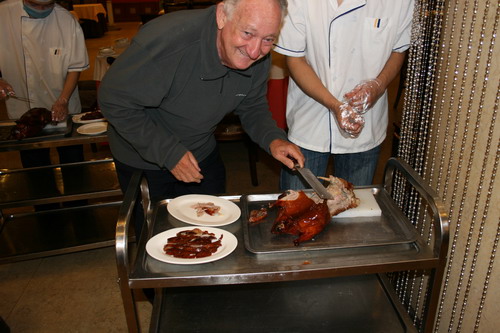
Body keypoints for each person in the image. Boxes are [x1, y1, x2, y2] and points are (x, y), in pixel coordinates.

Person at [98, 0, 304, 237]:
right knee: (157, 240)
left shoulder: (257, 56)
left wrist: (273, 139)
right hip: (144, 158)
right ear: (221, 16)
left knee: (211, 234)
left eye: (268, 39)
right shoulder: (168, 41)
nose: (255, 51)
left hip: (200, 151)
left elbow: (252, 105)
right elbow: (113, 99)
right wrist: (169, 152)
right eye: (247, 33)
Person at [274, 0, 414, 189]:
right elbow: (295, 59)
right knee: (297, 207)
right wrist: (335, 104)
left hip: (365, 124)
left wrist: (378, 86)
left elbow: (398, 51)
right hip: (310, 121)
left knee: (352, 208)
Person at [0, 0, 89, 208]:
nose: (41, 10)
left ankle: (79, 209)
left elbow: (76, 66)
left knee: (73, 163)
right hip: (23, 109)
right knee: (35, 167)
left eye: (46, 7)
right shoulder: (3, 14)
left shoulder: (66, 20)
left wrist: (64, 99)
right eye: (37, 6)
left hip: (63, 105)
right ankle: (45, 212)